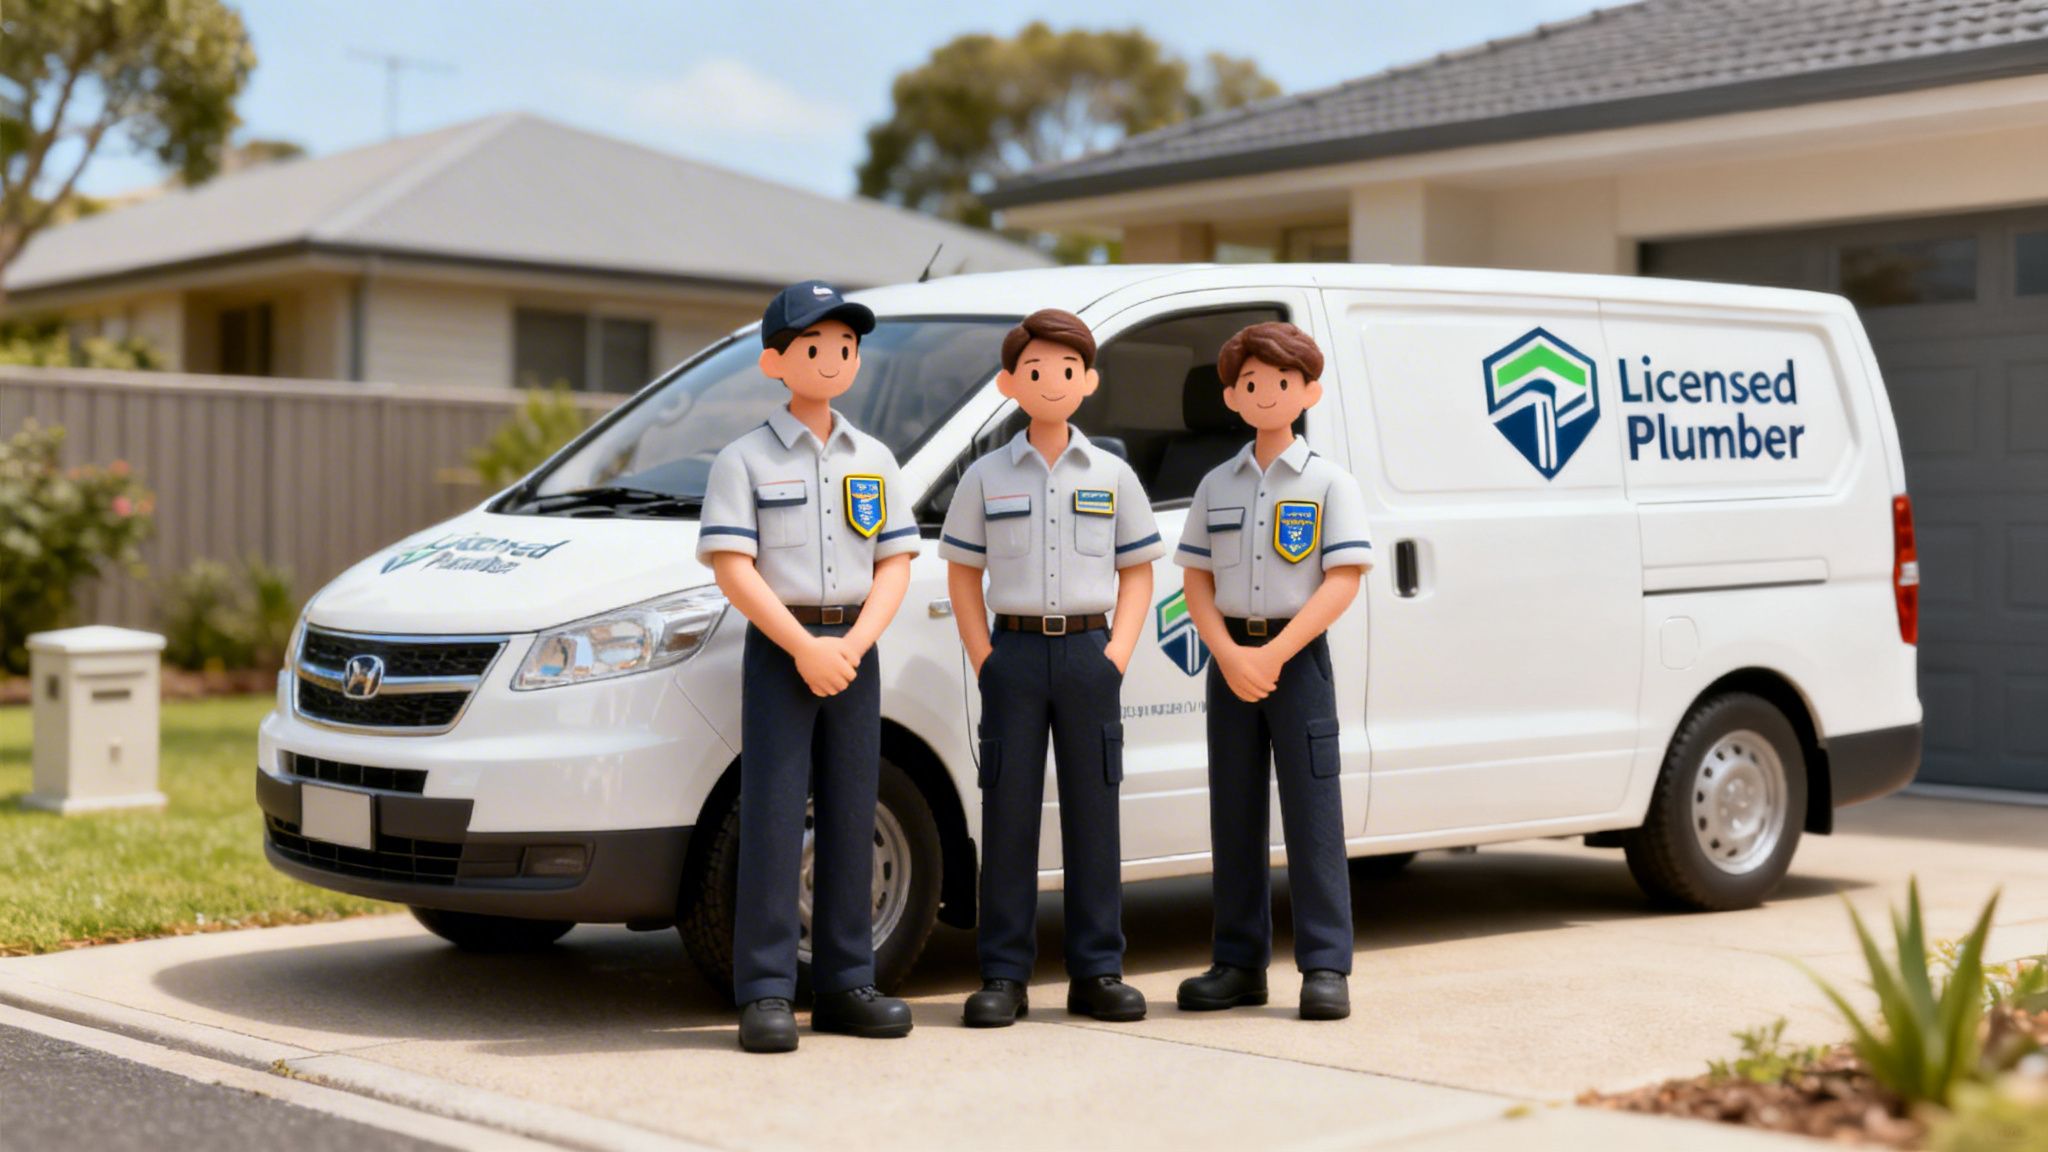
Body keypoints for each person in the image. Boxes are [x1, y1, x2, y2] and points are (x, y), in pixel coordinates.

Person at [697, 281, 922, 1053]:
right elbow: (734, 567)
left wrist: (852, 646)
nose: (834, 359)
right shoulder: (744, 459)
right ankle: (764, 990)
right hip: (781, 652)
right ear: (774, 361)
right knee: (771, 813)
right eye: (815, 347)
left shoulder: (877, 459)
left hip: (855, 651)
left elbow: (895, 563)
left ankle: (846, 982)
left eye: (846, 348)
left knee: (853, 815)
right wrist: (803, 646)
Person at [938, 308, 1164, 1027]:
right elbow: (962, 576)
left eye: (1067, 370)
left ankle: (1098, 970)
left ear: (1089, 381)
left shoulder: (1115, 475)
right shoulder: (984, 476)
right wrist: (985, 659)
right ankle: (1003, 974)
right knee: (1007, 814)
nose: (1051, 381)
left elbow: (1138, 575)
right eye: (1034, 370)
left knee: (1095, 813)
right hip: (1015, 655)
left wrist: (1117, 656)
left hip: (1090, 656)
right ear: (1011, 382)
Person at [1172, 320, 1373, 1021]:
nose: (1265, 395)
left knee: (1314, 813)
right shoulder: (1215, 486)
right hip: (1229, 660)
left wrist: (1273, 655)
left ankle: (1325, 966)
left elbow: (1342, 580)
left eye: (1281, 383)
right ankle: (1237, 962)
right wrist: (1228, 654)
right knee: (1234, 811)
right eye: (1250, 384)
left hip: (1298, 660)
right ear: (1231, 396)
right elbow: (1195, 579)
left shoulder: (1328, 483)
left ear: (1308, 390)